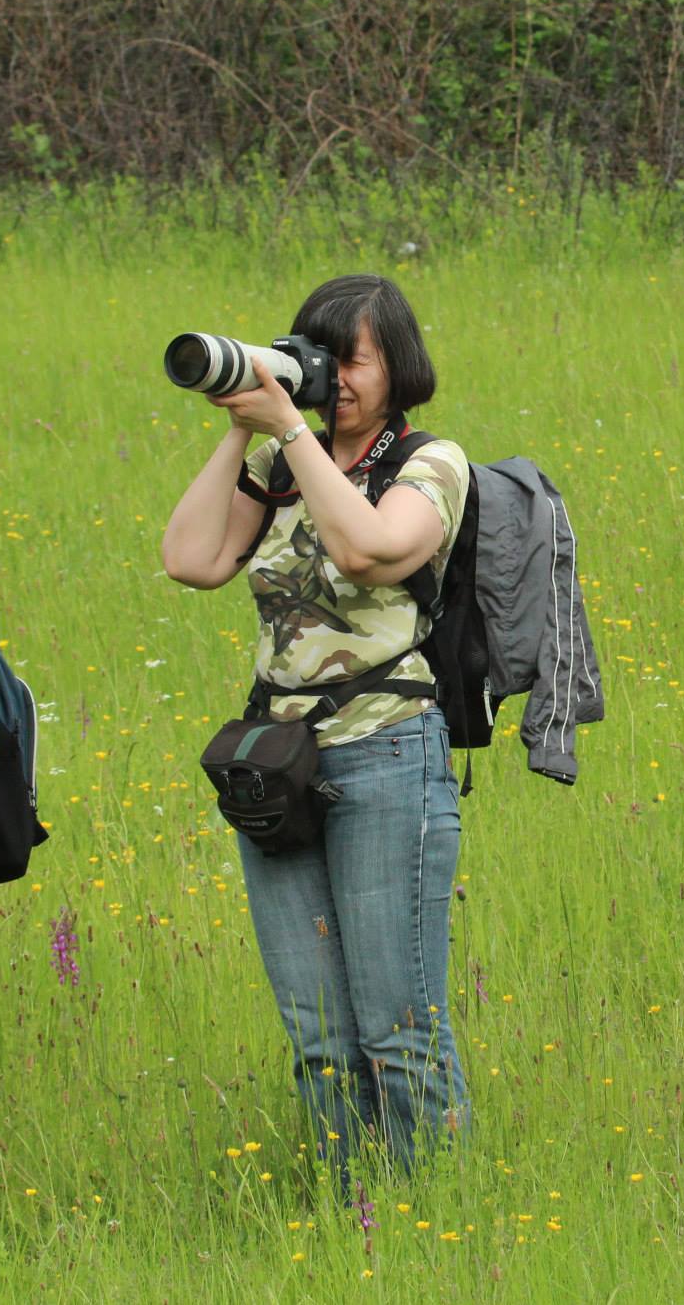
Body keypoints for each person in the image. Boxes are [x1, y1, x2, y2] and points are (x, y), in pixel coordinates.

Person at [161, 274, 470, 1173]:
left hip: (388, 752)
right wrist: (242, 428)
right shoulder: (275, 462)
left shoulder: (430, 462)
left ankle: (431, 1212)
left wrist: (294, 435)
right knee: (319, 1036)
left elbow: (370, 550)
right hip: (280, 763)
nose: (332, 378)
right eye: (315, 358)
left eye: (353, 361)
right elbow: (190, 558)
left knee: (397, 1025)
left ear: (397, 365)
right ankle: (351, 1211)